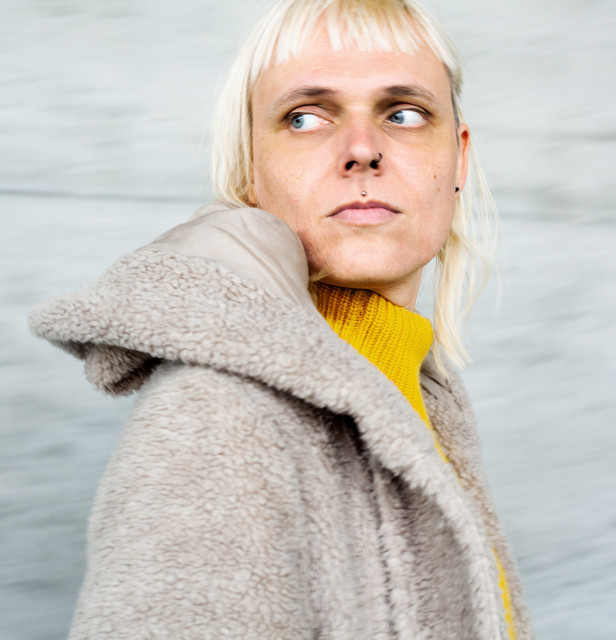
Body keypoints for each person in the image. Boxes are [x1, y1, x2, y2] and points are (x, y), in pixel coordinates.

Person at [30, 0, 534, 638]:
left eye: (404, 114)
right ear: (250, 171)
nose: (362, 150)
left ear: (457, 161)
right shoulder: (215, 417)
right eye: (305, 117)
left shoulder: (426, 397)